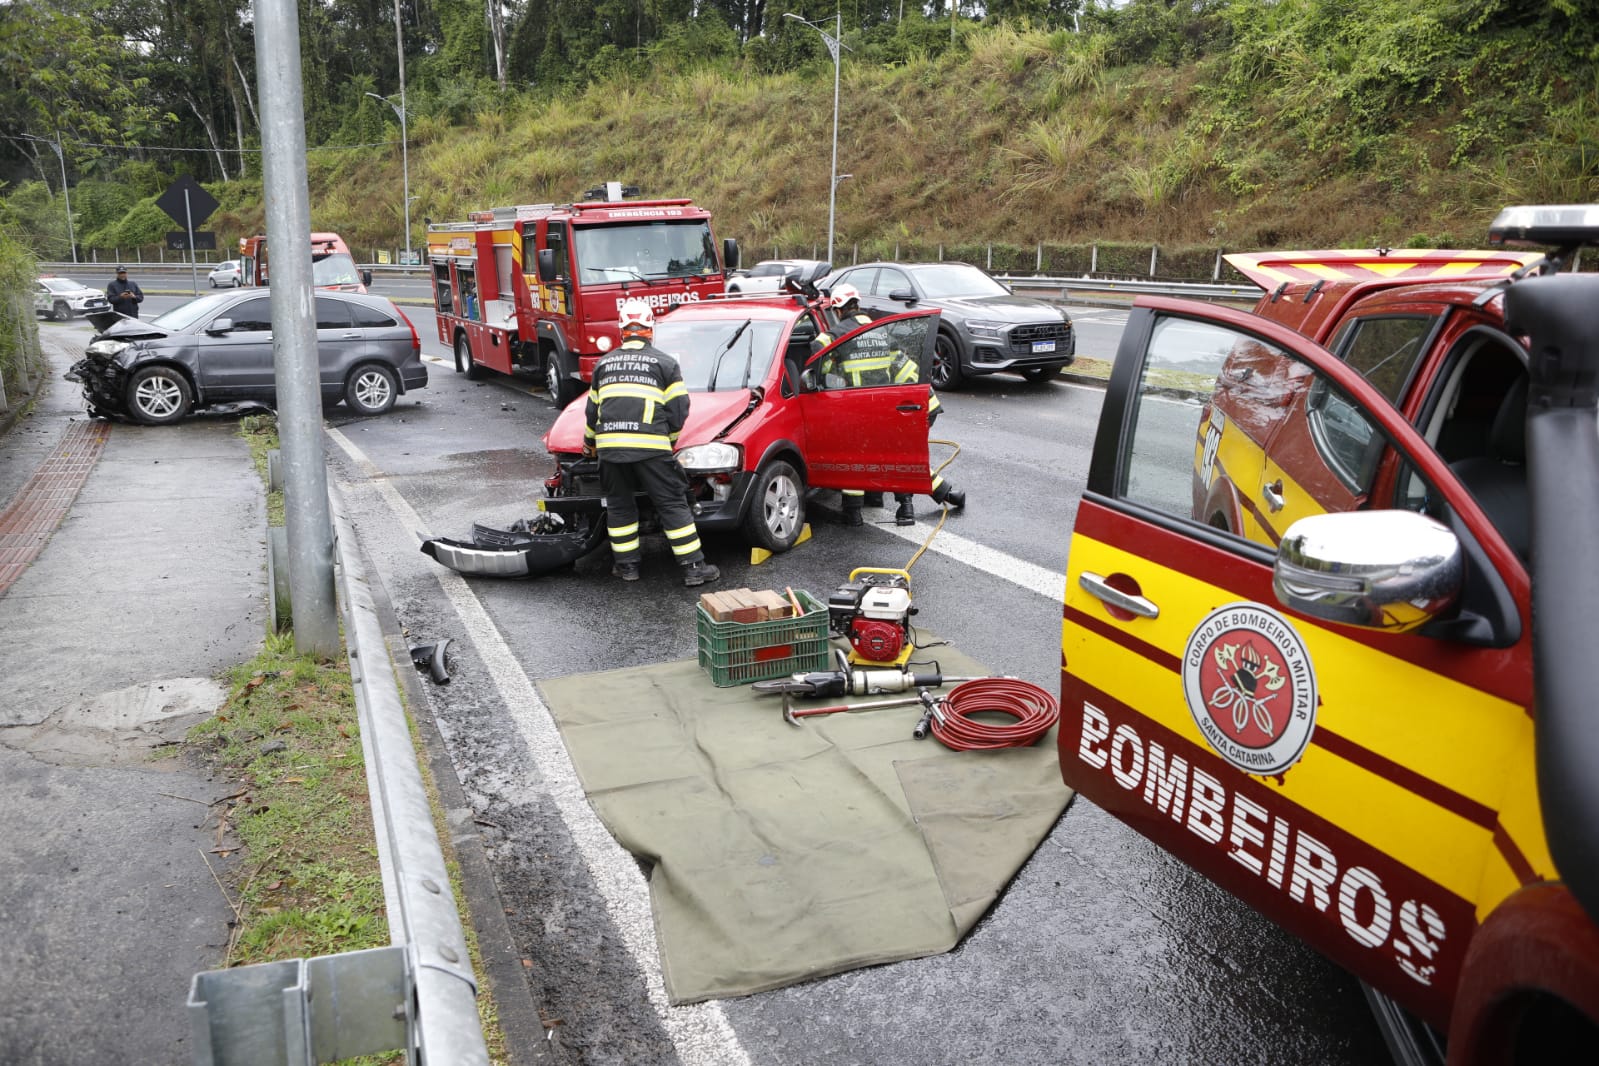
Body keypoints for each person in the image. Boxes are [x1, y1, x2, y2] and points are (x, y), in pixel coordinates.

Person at [584, 298, 720, 587]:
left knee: (620, 507)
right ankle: (694, 568)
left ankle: (627, 567)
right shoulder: (666, 364)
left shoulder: (603, 364)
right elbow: (678, 410)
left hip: (610, 449)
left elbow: (592, 412)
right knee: (672, 504)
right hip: (651, 449)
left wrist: (589, 445)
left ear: (622, 330)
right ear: (650, 329)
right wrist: (668, 442)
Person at [813, 283, 965, 527]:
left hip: (861, 408)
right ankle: (909, 508)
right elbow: (905, 368)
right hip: (894, 406)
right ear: (857, 305)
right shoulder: (881, 331)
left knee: (855, 459)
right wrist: (919, 400)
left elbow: (818, 356)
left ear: (837, 310)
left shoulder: (838, 334)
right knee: (899, 459)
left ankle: (853, 514)